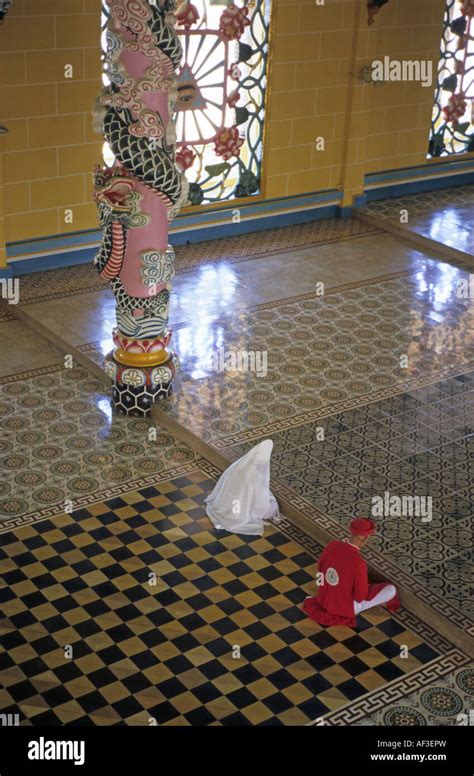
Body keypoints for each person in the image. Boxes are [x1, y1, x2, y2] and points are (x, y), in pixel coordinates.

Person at [303, 517, 400, 627]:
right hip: (344, 607)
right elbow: (359, 597)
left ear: (351, 531)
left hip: (323, 600)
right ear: (365, 539)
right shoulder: (359, 563)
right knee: (391, 590)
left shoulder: (332, 545)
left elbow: (320, 569)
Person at [205, 439, 279, 536]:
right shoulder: (255, 475)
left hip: (230, 498)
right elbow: (258, 496)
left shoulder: (239, 465)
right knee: (269, 506)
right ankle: (234, 517)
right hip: (238, 504)